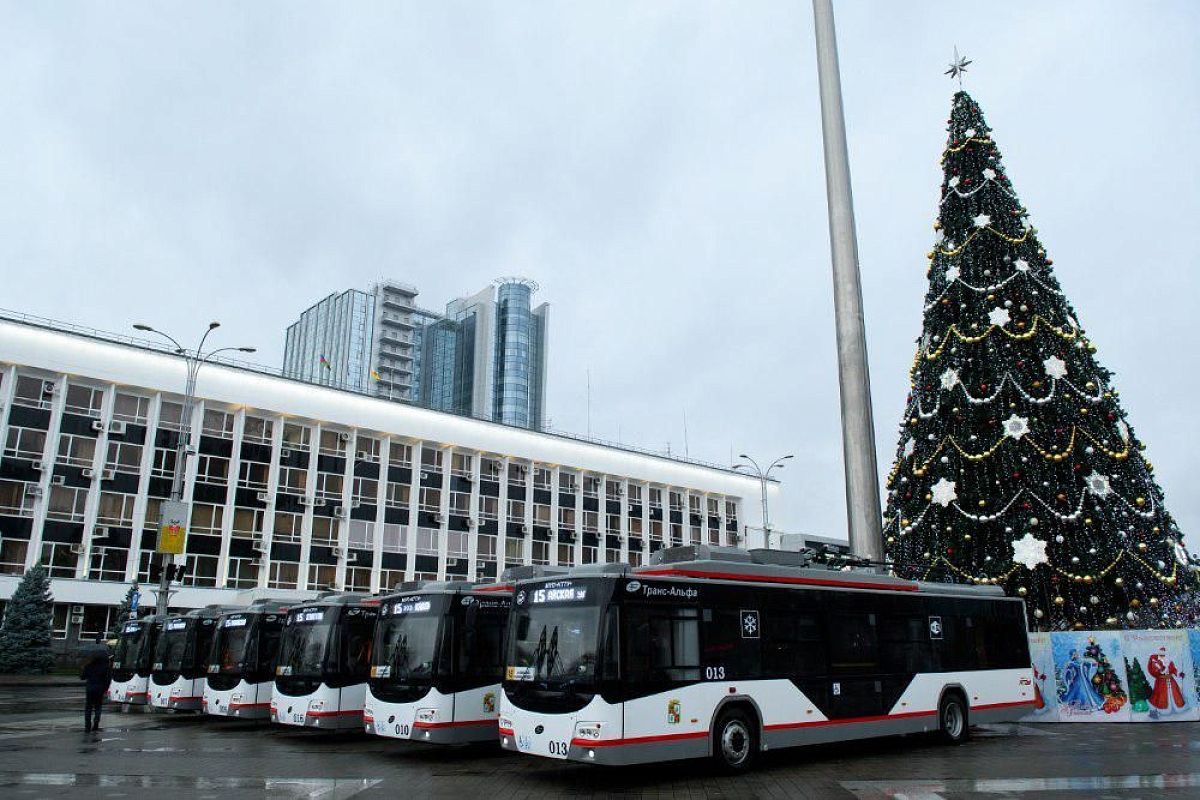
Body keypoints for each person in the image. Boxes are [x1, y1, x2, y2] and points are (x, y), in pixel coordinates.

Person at [80, 639, 112, 733]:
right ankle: (96, 723)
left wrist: (83, 668)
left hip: (90, 688)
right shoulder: (105, 667)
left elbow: (82, 677)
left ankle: (87, 726)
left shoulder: (89, 665)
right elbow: (108, 679)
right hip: (100, 688)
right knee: (98, 706)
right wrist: (105, 688)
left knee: (88, 707)